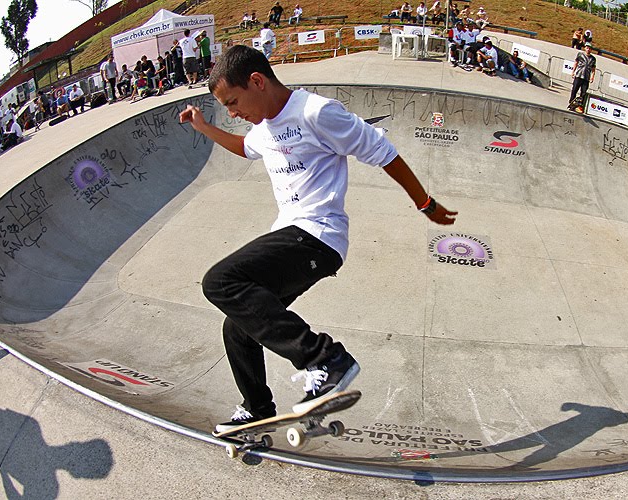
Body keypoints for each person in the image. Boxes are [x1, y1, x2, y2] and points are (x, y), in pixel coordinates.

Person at [178, 45, 457, 433]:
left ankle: (326, 359)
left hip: (318, 237)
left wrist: (424, 202)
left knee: (220, 281)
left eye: (233, 102)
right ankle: (258, 407)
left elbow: (383, 152)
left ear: (257, 81)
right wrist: (203, 127)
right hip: (291, 235)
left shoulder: (316, 112)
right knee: (237, 327)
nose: (233, 113)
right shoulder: (262, 128)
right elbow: (245, 148)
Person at [569, 42, 596, 110]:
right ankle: (571, 102)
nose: (588, 50)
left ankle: (580, 106)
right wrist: (573, 71)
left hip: (586, 78)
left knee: (583, 93)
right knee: (574, 90)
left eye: (589, 48)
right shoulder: (580, 54)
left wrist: (592, 77)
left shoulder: (593, 59)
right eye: (587, 48)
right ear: (585, 48)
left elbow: (593, 69)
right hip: (579, 75)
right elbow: (576, 63)